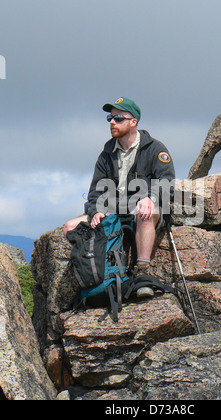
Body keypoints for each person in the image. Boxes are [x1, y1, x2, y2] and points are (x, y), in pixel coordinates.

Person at [64, 97, 175, 297]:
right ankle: (96, 273)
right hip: (113, 212)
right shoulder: (106, 154)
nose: (112, 122)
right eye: (110, 118)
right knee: (70, 227)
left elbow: (167, 182)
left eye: (118, 118)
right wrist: (95, 211)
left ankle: (142, 272)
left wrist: (151, 198)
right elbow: (95, 192)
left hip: (143, 209)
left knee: (145, 213)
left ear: (133, 122)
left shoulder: (155, 149)